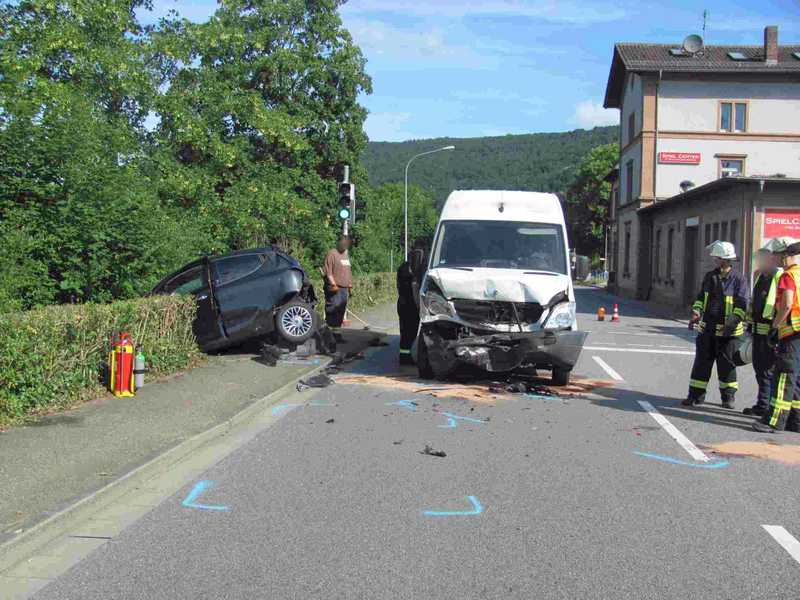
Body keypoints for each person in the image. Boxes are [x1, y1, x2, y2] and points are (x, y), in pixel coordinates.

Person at [684, 241, 749, 409]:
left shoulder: (738, 279)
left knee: (727, 366)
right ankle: (695, 396)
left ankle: (728, 398)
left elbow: (742, 305)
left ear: (724, 260)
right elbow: (700, 298)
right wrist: (696, 313)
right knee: (701, 364)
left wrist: (732, 322)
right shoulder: (709, 277)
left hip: (730, 334)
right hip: (708, 330)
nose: (714, 260)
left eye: (717, 258)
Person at [753, 240, 800, 433]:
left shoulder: (788, 276)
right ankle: (796, 421)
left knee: (783, 377)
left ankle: (774, 421)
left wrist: (775, 326)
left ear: (784, 255)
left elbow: (787, 304)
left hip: (791, 333)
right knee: (797, 379)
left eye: (777, 256)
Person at [743, 243, 784, 416]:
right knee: (760, 369)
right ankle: (763, 404)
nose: (758, 262)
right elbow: (755, 304)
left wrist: (774, 329)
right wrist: (750, 326)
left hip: (771, 332)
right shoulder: (761, 276)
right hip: (759, 331)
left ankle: (767, 406)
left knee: (768, 370)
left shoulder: (779, 276)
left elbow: (781, 305)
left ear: (771, 258)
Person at [396, 240, 428, 365]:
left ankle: (405, 354)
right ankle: (405, 356)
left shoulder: (403, 267)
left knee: (406, 331)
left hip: (404, 303)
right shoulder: (414, 271)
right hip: (410, 305)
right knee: (409, 331)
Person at [323, 236, 352, 341]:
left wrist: (350, 285)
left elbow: (348, 271)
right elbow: (328, 271)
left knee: (340, 311)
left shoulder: (345, 255)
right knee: (333, 311)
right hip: (335, 288)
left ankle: (337, 335)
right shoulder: (332, 253)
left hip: (344, 289)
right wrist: (333, 284)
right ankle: (328, 336)